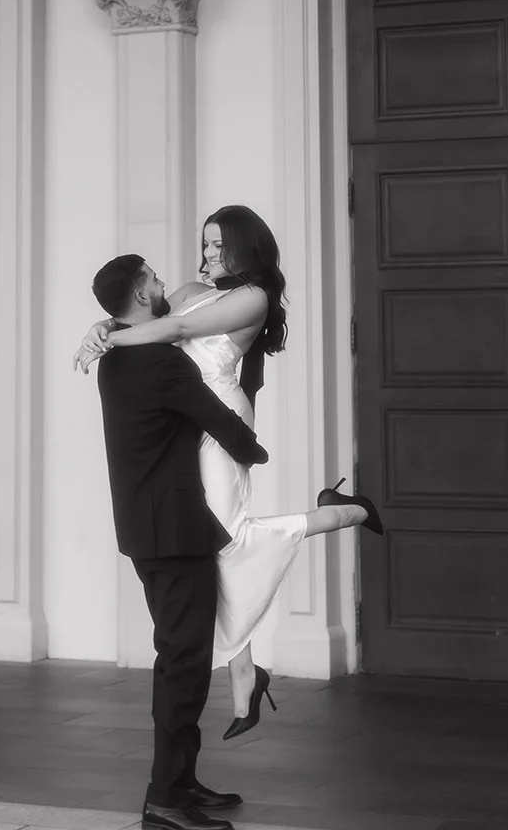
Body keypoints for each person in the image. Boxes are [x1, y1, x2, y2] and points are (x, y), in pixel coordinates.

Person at [76, 206, 382, 737]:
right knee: (208, 545)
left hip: (220, 419)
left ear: (245, 247)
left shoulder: (254, 295)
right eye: (206, 244)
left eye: (220, 246)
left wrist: (107, 340)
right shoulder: (195, 288)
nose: (208, 254)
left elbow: (175, 328)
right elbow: (142, 314)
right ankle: (244, 670)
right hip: (187, 420)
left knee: (226, 539)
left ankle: (345, 513)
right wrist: (100, 325)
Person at [92, 251, 270, 830]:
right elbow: (216, 419)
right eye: (155, 279)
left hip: (150, 527)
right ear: (142, 296)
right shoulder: (160, 362)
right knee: (183, 662)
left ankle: (181, 784)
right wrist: (254, 451)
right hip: (172, 531)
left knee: (182, 659)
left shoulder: (117, 358)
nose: (165, 283)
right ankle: (166, 800)